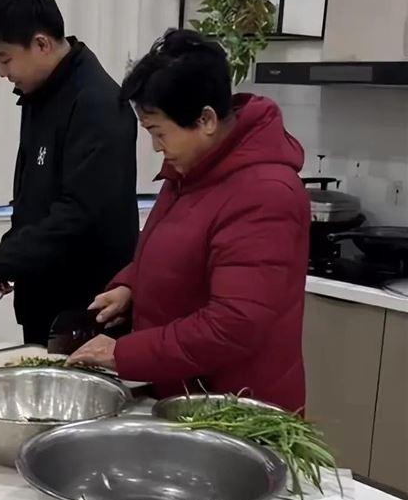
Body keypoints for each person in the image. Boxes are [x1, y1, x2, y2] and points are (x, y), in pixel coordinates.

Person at [68, 28, 310, 412]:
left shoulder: (266, 193)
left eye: (159, 132)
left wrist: (124, 353)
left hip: (236, 410)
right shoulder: (192, 167)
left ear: (206, 119)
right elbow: (178, 248)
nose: (156, 147)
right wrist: (131, 284)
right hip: (186, 394)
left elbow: (233, 324)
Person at [0, 0, 139, 345]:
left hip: (86, 307)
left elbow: (79, 212)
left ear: (41, 43)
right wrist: (9, 262)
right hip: (43, 298)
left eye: (4, 59)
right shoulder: (41, 92)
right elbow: (33, 202)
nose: (2, 73)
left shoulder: (97, 103)